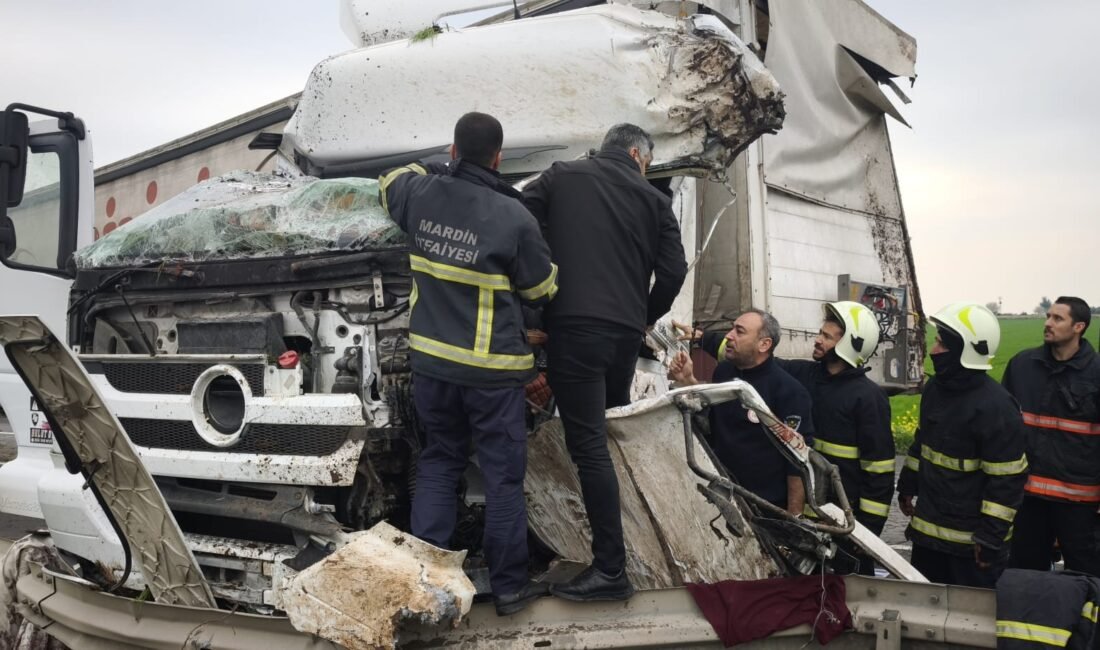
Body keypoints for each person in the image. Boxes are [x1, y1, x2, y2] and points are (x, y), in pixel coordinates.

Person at [380, 112, 559, 616]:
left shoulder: (420, 194)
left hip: (433, 366)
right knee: (503, 480)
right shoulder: (514, 216)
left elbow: (392, 178)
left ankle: (428, 587)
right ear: (498, 158)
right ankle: (508, 588)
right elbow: (541, 289)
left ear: (454, 149)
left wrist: (440, 166)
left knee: (439, 461)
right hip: (492, 373)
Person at [521, 123, 687, 601]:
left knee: (590, 447)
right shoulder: (655, 201)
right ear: (637, 155)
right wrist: (641, 315)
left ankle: (611, 570)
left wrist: (538, 299)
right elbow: (674, 272)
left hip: (576, 328)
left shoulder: (560, 175)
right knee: (608, 438)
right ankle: (630, 549)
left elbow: (520, 224)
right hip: (622, 338)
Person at [896, 303, 1027, 588]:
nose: (933, 350)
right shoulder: (934, 390)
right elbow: (923, 444)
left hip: (973, 550)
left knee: (969, 625)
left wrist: (990, 539)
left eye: (942, 343)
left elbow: (1006, 482)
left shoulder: (997, 408)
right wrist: (907, 484)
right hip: (928, 538)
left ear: (966, 350)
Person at [776, 302, 894, 575]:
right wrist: (703, 339)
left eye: (827, 337)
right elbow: (762, 361)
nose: (817, 340)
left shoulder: (868, 398)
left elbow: (880, 472)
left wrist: (866, 534)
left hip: (845, 528)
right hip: (807, 521)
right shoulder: (806, 375)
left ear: (851, 345)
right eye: (821, 333)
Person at [669, 309, 815, 515]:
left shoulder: (790, 392)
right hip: (719, 492)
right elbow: (710, 420)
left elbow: (797, 464)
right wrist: (688, 382)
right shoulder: (724, 371)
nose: (729, 335)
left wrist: (793, 519)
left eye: (739, 331)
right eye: (732, 329)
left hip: (763, 507)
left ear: (764, 344)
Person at [1004, 296, 1100, 576]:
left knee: (1086, 578)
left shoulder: (1096, 375)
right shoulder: (1022, 366)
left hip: (1080, 504)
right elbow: (1004, 427)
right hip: (1028, 499)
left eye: (1058, 319)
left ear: (1079, 326)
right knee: (1024, 574)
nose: (1048, 323)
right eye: (1048, 316)